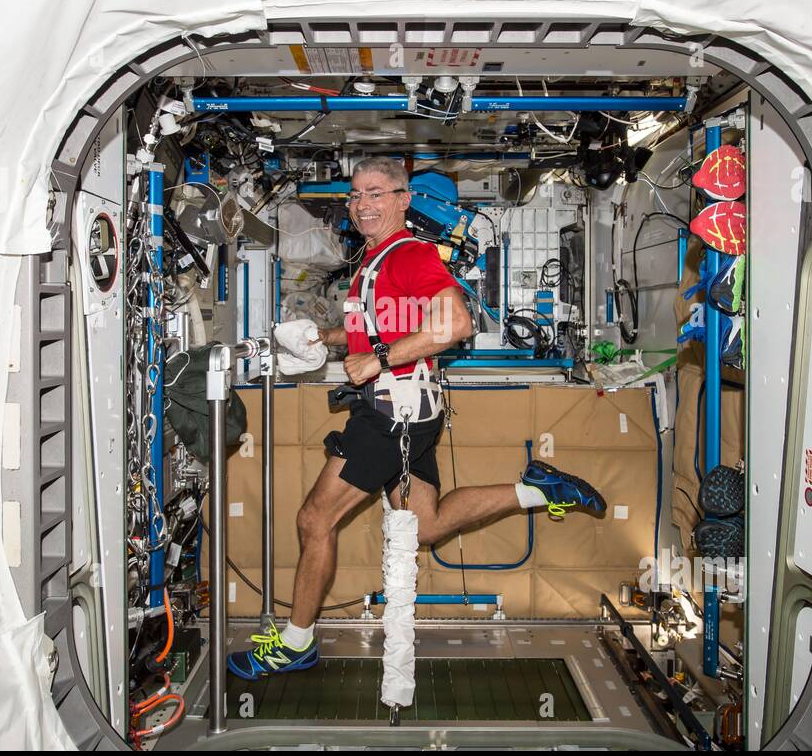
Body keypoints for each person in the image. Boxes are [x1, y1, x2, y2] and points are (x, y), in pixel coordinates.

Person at [227, 157, 607, 679]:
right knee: (425, 525)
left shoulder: (407, 254)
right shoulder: (375, 261)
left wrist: (378, 360)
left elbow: (456, 322)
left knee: (314, 520)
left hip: (391, 414)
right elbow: (386, 331)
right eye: (356, 195)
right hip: (410, 411)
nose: (362, 204)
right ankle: (539, 490)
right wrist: (325, 339)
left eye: (376, 193)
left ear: (403, 200)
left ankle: (296, 643)